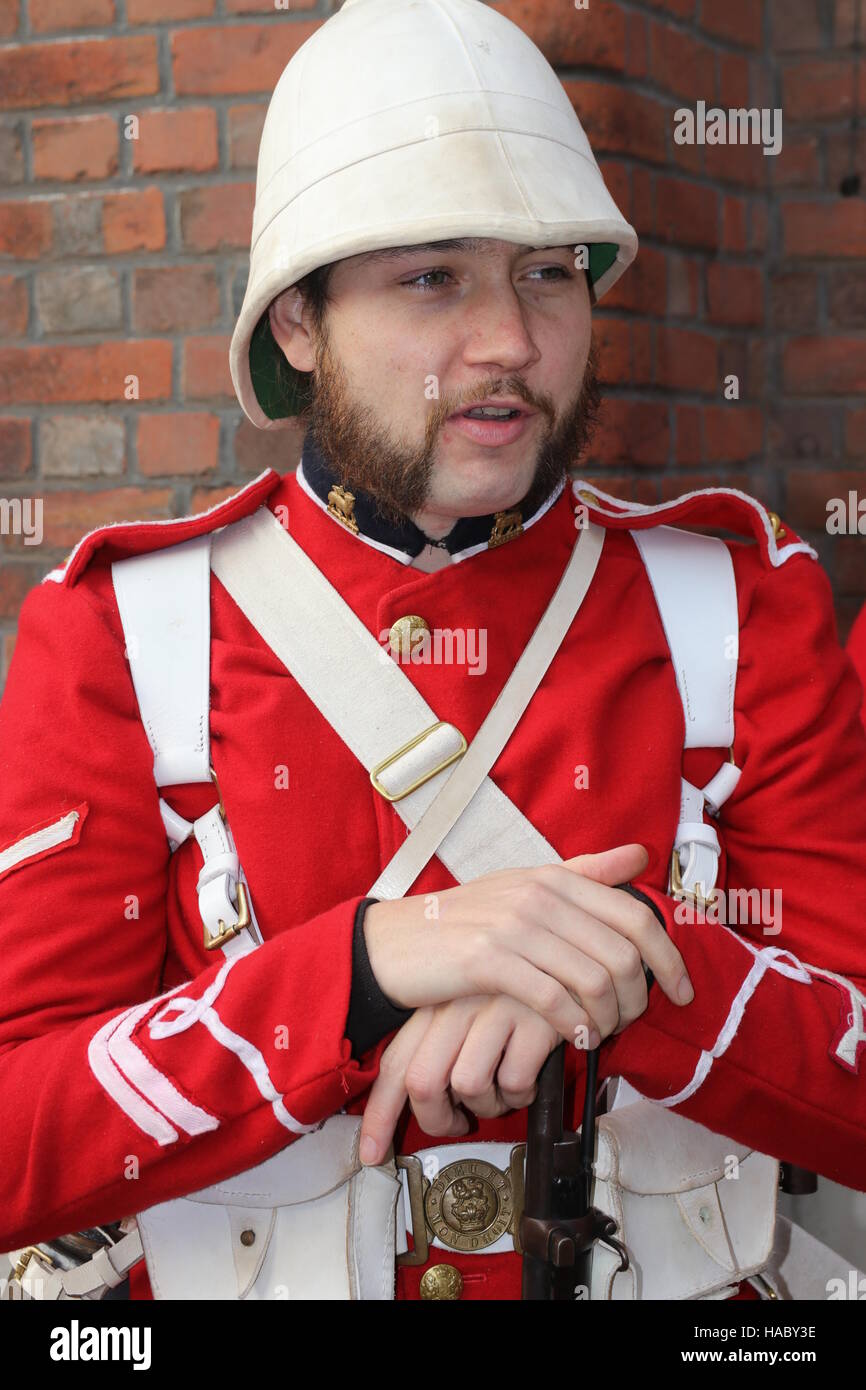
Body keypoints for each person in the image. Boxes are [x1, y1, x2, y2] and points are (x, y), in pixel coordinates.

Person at [1, 0, 865, 1303]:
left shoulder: (741, 602)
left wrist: (623, 968)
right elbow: (20, 1136)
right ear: (296, 324)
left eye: (546, 272)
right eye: (429, 277)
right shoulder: (122, 628)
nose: (509, 340)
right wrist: (360, 968)